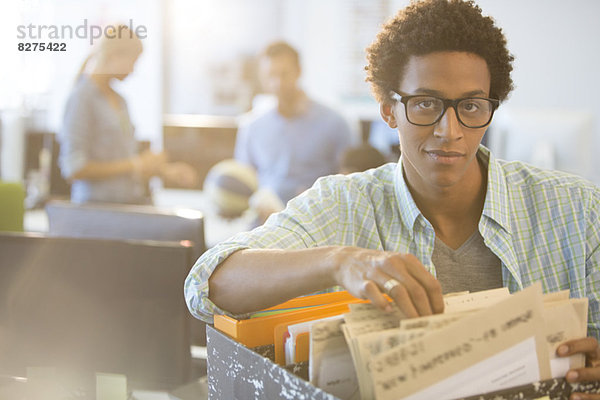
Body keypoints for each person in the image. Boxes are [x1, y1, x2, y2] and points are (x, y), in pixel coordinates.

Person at [186, 0, 600, 395]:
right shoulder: (343, 204)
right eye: (425, 104)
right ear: (388, 109)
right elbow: (207, 286)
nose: (449, 131)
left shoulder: (578, 210)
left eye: (471, 107)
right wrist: (338, 261)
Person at [58, 25, 196, 204]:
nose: (133, 70)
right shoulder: (81, 99)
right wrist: (136, 164)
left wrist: (163, 170)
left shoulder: (120, 100)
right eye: (133, 62)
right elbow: (74, 168)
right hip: (96, 211)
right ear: (114, 56)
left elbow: (126, 161)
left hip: (128, 204)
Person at [234, 41, 353, 204]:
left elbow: (349, 182)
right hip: (263, 222)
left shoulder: (335, 123)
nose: (278, 83)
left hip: (314, 219)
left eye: (284, 74)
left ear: (298, 72)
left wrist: (320, 199)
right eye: (270, 76)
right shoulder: (252, 126)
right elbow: (243, 181)